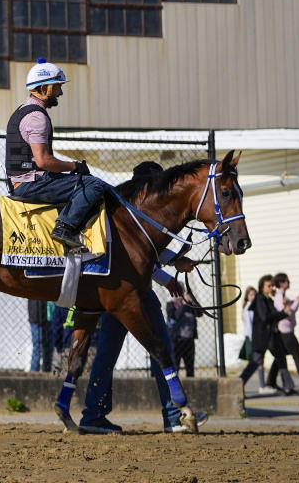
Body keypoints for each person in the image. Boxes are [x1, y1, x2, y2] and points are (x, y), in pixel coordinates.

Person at [77, 161, 208, 434]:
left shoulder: (125, 212)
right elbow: (143, 258)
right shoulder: (136, 214)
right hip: (136, 294)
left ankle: (93, 415)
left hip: (117, 296)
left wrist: (174, 265)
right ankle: (173, 416)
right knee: (162, 349)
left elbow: (149, 255)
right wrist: (170, 273)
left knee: (106, 355)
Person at [7, 58, 110, 253]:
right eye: (57, 87)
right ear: (43, 88)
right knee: (93, 184)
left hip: (24, 181)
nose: (60, 93)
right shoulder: (37, 117)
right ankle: (65, 228)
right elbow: (43, 160)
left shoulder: (22, 110)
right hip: (31, 184)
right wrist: (75, 166)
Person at [239, 274, 292, 395]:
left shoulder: (267, 299)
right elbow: (265, 317)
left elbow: (273, 315)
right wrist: (283, 313)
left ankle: (288, 386)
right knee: (255, 362)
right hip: (262, 337)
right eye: (269, 285)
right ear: (262, 287)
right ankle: (239, 383)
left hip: (270, 337)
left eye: (272, 286)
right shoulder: (260, 299)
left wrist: (283, 312)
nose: (271, 288)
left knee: (280, 357)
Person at [240, 285, 273, 394]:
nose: (253, 296)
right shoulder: (249, 308)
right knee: (256, 363)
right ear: (247, 297)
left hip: (257, 337)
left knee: (259, 362)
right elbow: (249, 326)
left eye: (254, 294)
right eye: (251, 295)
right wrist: (252, 339)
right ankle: (260, 386)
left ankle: (262, 385)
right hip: (252, 338)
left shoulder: (255, 306)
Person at [166, 293, 198, 377]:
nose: (180, 295)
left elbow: (199, 313)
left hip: (189, 340)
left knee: (190, 367)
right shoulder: (171, 305)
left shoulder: (190, 306)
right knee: (175, 365)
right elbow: (175, 316)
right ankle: (175, 387)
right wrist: (183, 305)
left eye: (181, 292)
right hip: (177, 341)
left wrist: (193, 301)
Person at [27, 299, 52, 372]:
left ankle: (45, 370)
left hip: (44, 319)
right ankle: (34, 370)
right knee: (37, 345)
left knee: (45, 346)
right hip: (36, 319)